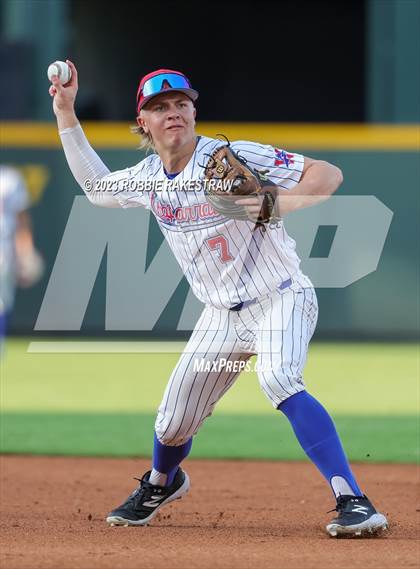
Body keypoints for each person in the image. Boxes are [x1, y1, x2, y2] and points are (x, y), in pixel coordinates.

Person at [49, 61, 388, 537]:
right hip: (220, 318)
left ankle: (354, 500)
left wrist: (279, 201)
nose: (174, 113)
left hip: (280, 296)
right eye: (160, 107)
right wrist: (66, 111)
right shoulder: (148, 178)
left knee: (278, 377)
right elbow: (95, 188)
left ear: (193, 111)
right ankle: (162, 481)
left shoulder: (232, 155)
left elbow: (327, 174)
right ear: (142, 122)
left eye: (182, 104)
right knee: (171, 424)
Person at [0, 165, 44, 347]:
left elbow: (22, 223)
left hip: (4, 252)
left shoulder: (10, 179)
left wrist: (26, 254)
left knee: (2, 304)